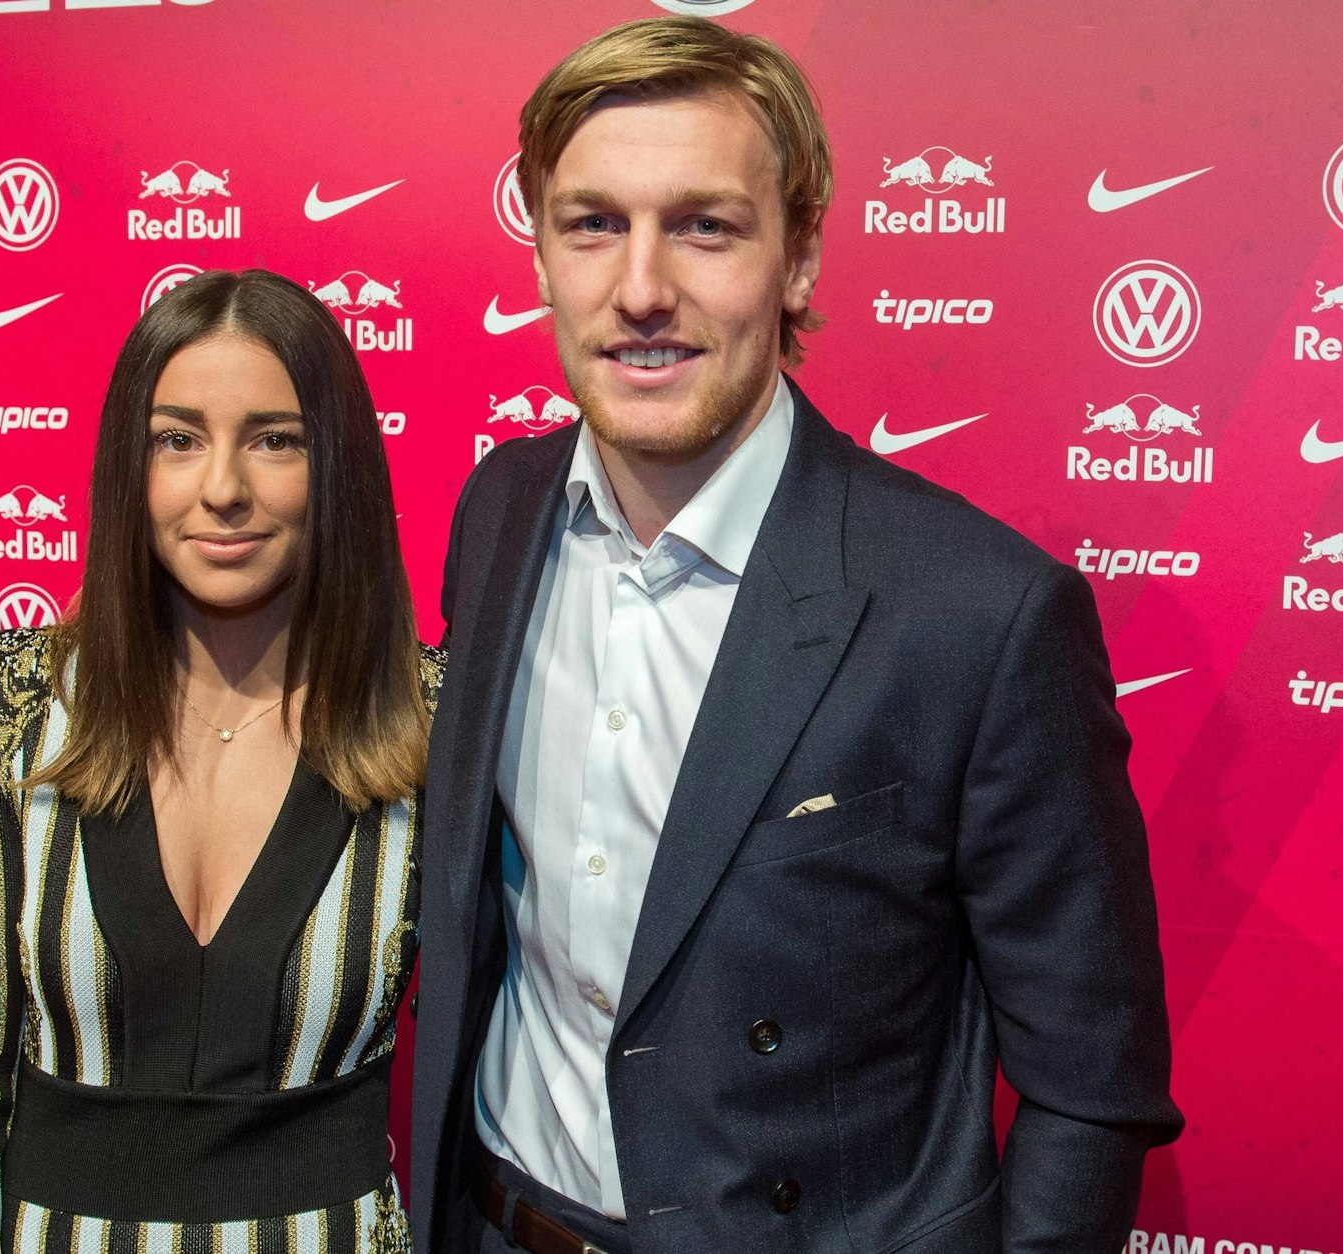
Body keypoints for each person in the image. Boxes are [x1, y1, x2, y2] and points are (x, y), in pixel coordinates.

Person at [410, 17, 1182, 1254]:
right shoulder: (499, 512)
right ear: (543, 251)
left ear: (800, 257)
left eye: (703, 226)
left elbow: (1092, 1084)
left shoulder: (978, 612)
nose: (640, 287)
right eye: (591, 223)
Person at [0, 269, 441, 1253]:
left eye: (274, 440)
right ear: (127, 470)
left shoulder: (435, 720)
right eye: (176, 440)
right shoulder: (1, 705)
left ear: (339, 467)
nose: (221, 488)